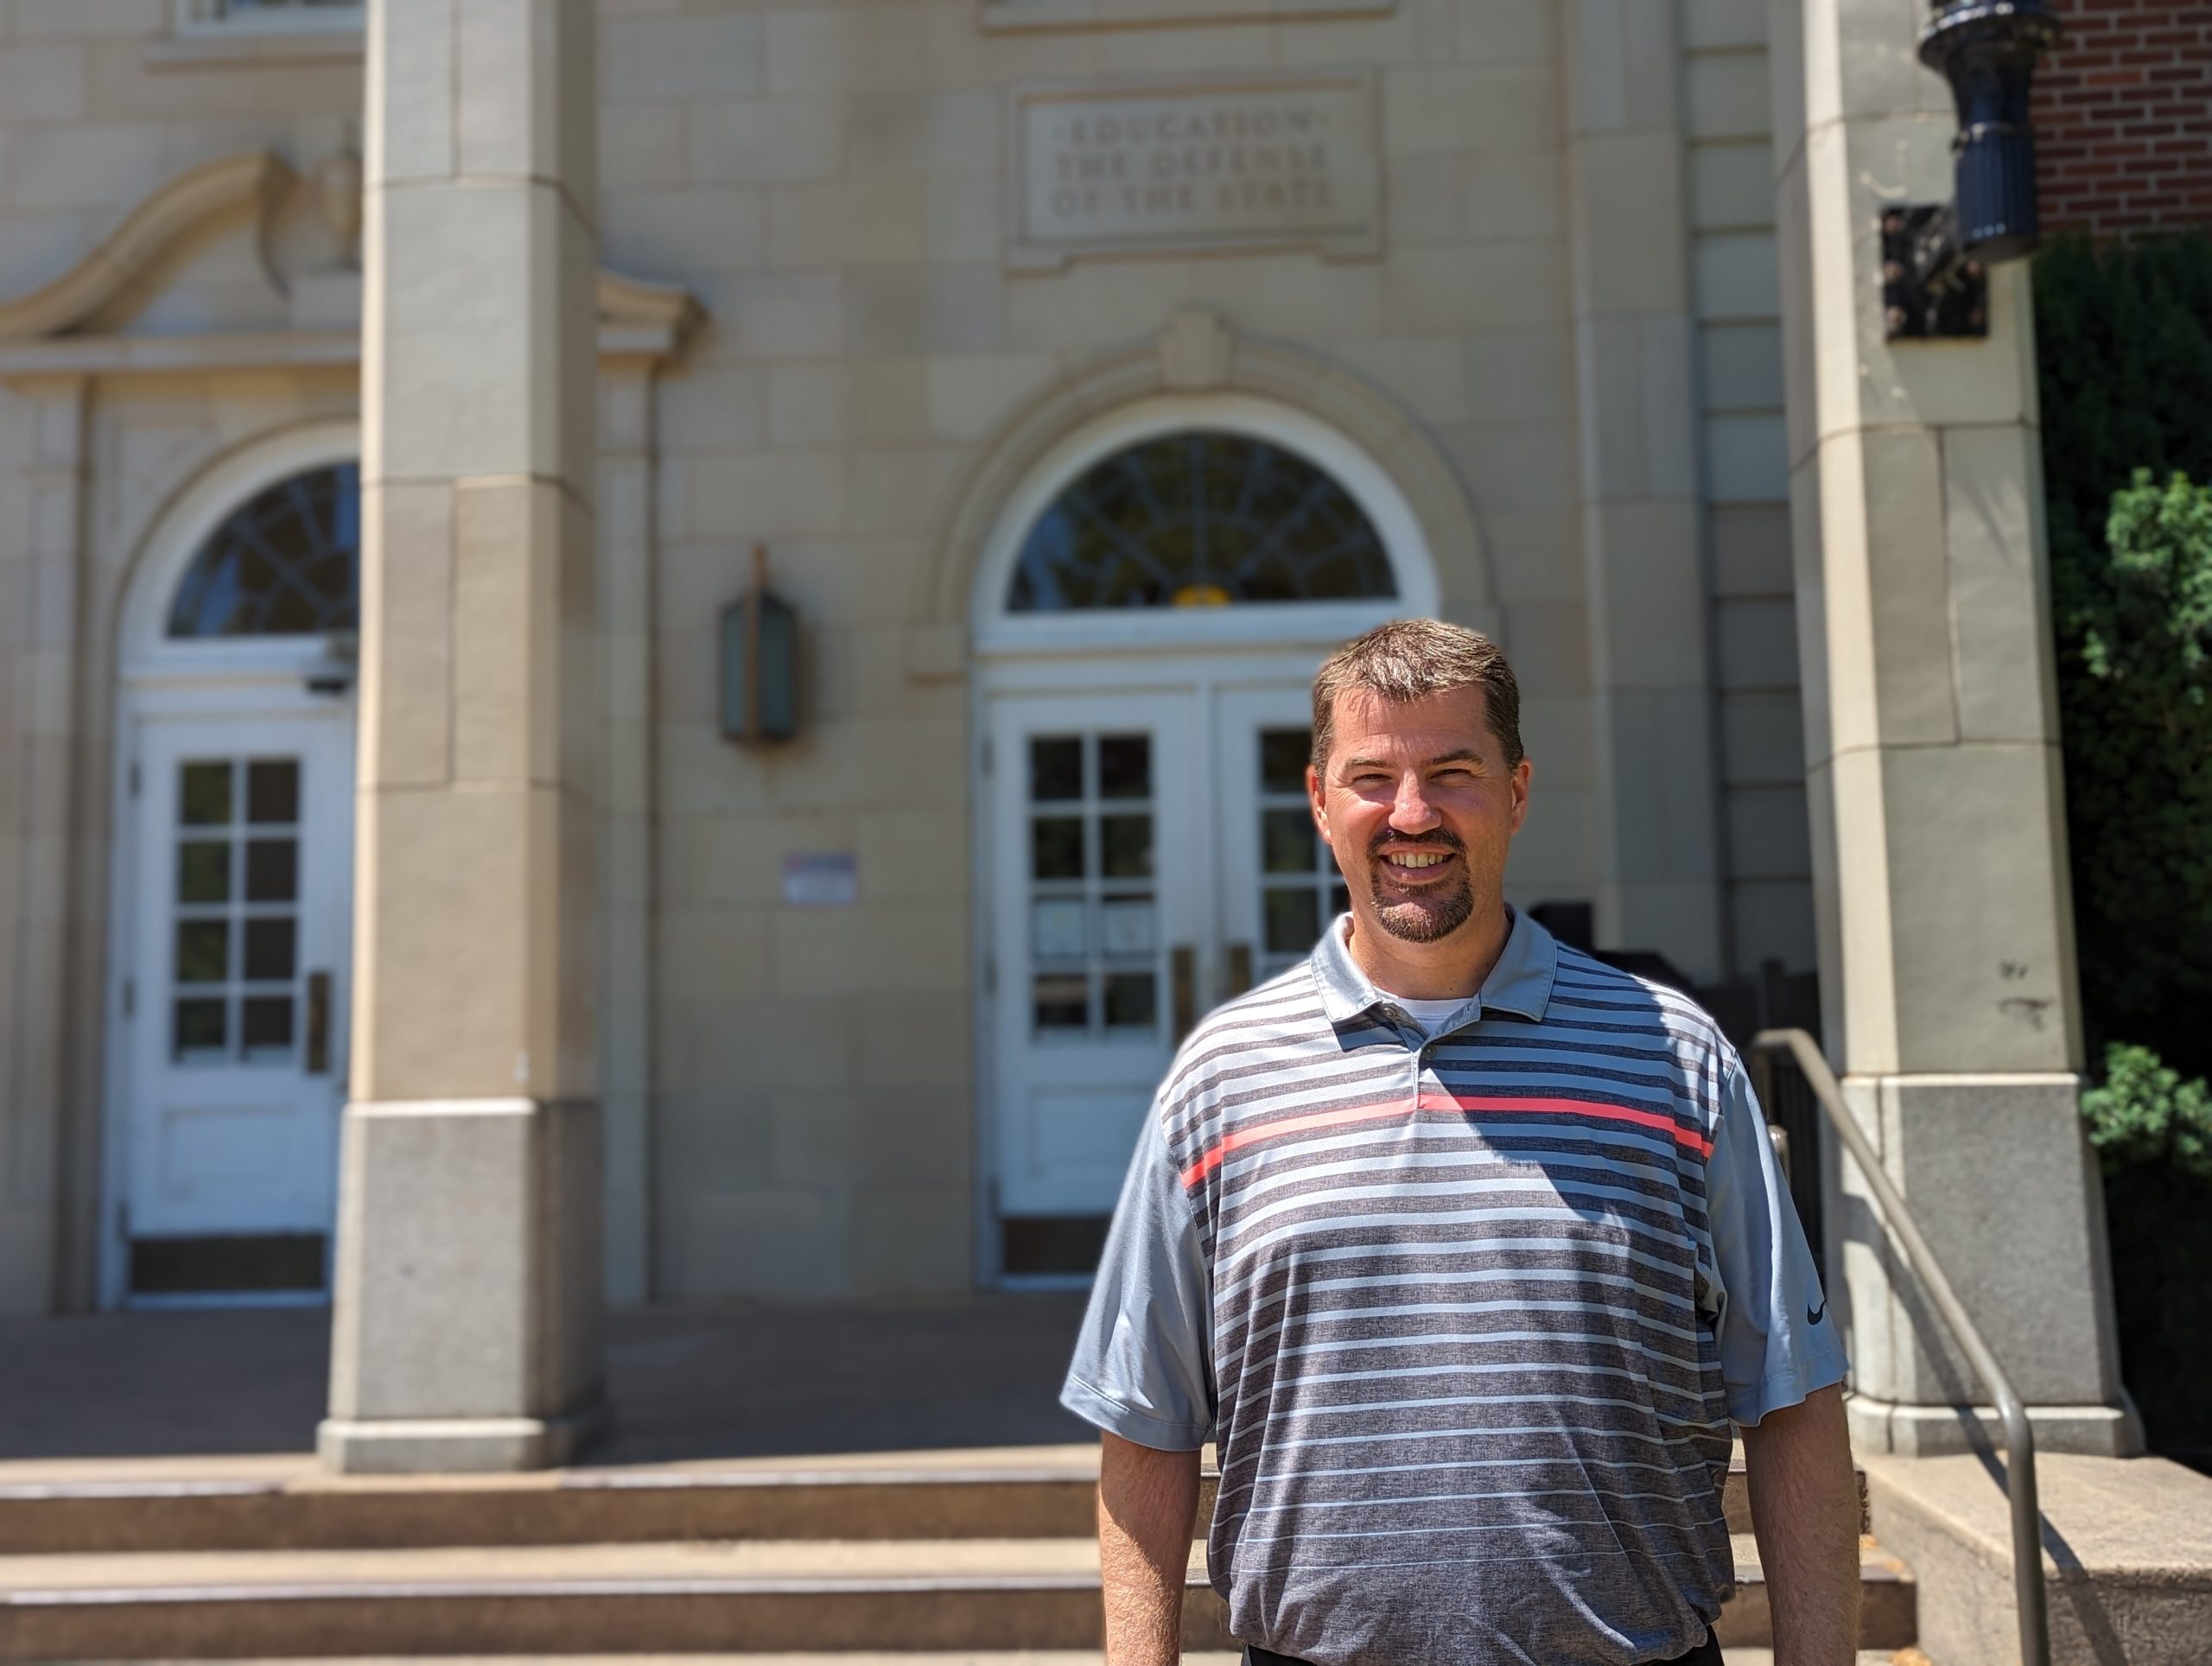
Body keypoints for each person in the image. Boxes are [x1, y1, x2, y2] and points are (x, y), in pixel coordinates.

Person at [1061, 619, 1860, 1665]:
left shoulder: (1676, 1056)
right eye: (1370, 778)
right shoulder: (1220, 1074)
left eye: (1452, 771)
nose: (1411, 814)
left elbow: (1793, 1397)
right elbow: (1144, 1419)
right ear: (1317, 803)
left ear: (1517, 792)